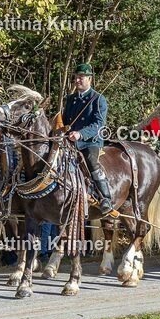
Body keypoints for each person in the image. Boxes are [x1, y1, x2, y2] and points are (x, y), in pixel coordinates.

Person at [61, 63, 114, 214]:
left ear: (89, 79)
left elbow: (99, 124)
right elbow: (65, 121)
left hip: (90, 141)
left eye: (81, 78)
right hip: (70, 140)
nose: (77, 80)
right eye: (76, 77)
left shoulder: (98, 99)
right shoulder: (71, 99)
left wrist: (80, 134)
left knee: (91, 160)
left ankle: (105, 198)